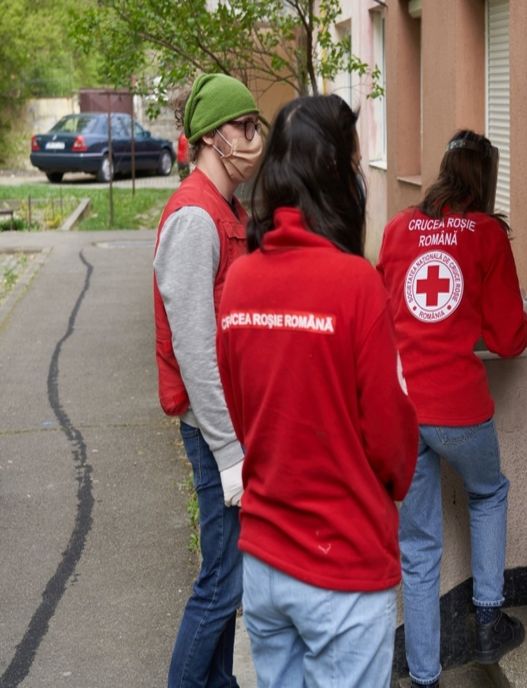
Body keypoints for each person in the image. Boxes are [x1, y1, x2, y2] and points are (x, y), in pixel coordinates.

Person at [215, 94, 419, 687]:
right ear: (337, 178)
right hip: (342, 571)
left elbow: (241, 408)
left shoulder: (239, 281)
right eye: (356, 165)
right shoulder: (356, 285)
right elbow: (390, 441)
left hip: (265, 566)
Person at [377, 130, 527, 688]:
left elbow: (384, 313)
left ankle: (423, 677)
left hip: (400, 410)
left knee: (419, 550)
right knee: (487, 492)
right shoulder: (487, 235)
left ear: (443, 170)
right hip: (458, 408)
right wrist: (525, 315)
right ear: (486, 179)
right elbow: (510, 337)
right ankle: (489, 621)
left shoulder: (398, 228)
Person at [153, 72, 261, 688]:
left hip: (230, 428)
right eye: (244, 128)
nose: (252, 140)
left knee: (227, 582)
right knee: (220, 586)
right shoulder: (195, 219)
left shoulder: (226, 210)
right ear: (212, 137)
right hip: (215, 433)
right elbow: (195, 349)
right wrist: (229, 455)